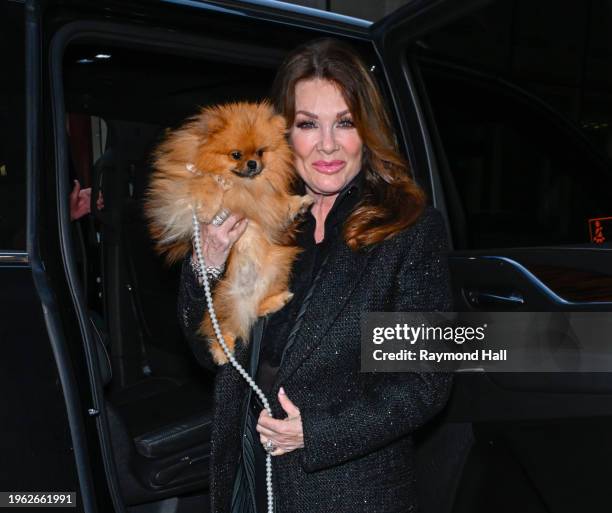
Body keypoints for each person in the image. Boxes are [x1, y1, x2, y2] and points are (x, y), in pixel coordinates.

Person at [177, 37, 453, 513]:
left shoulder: (406, 229)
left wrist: (319, 432)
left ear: (366, 130)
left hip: (346, 491)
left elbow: (424, 382)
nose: (326, 145)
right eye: (308, 124)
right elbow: (209, 354)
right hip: (246, 476)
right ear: (284, 133)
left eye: (344, 123)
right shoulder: (261, 216)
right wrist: (208, 261)